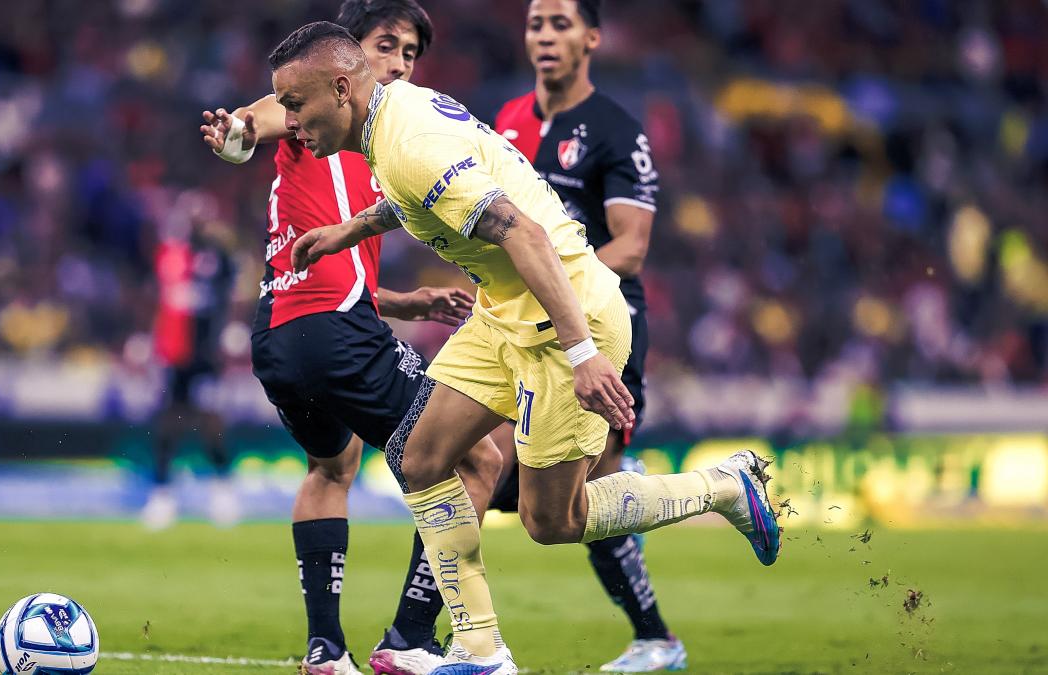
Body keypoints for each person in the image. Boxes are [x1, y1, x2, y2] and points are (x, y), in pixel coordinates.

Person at [279, 22, 781, 674]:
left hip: (565, 318)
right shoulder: (395, 112)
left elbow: (526, 238)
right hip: (507, 312)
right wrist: (348, 230)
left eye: (294, 103)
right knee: (419, 454)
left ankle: (723, 487)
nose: (289, 121)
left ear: (341, 89)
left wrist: (583, 354)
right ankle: (482, 650)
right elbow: (418, 200)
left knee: (553, 519)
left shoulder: (408, 146)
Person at [200, 3, 502, 673]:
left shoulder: (376, 145)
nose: (398, 64)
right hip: (332, 329)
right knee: (479, 460)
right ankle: (411, 638)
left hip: (281, 332)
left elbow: (328, 262)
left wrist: (406, 300)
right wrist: (234, 133)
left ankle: (324, 650)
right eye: (386, 47)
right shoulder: (314, 107)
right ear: (344, 61)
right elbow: (260, 119)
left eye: (411, 54)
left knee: (331, 468)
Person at [489, 1, 682, 670]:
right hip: (519, 330)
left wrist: (559, 287)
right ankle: (445, 639)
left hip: (602, 331)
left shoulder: (615, 131)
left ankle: (656, 635)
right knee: (482, 469)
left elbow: (631, 244)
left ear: (591, 38)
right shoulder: (507, 121)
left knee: (579, 502)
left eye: (561, 24)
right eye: (536, 23)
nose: (545, 35)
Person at [143, 194, 238, 531]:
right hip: (174, 352)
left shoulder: (220, 257)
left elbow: (231, 299)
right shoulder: (170, 254)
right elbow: (157, 299)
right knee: (168, 421)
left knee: (210, 421)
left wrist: (228, 339)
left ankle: (221, 488)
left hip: (206, 354)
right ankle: (162, 492)